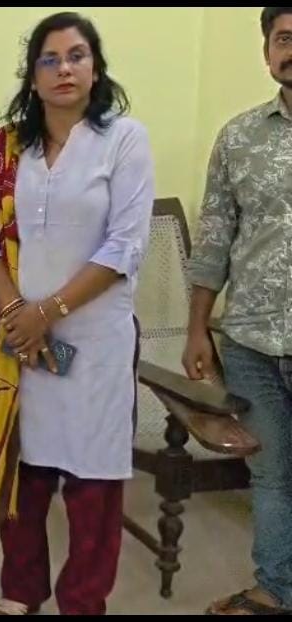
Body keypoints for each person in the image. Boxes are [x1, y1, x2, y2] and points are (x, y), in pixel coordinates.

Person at [0, 12, 154, 615]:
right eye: (50, 59)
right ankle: (20, 591)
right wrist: (17, 311)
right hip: (21, 337)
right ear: (33, 76)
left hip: (94, 342)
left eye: (77, 56)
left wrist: (48, 311)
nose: (64, 69)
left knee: (93, 482)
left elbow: (124, 246)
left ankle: (83, 601)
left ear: (95, 68)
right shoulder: (7, 151)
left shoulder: (124, 140)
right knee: (24, 470)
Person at [182, 7, 292, 616]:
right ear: (267, 50)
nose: (291, 49)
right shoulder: (238, 137)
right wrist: (198, 327)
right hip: (250, 342)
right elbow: (214, 239)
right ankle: (275, 590)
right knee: (271, 474)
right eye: (283, 38)